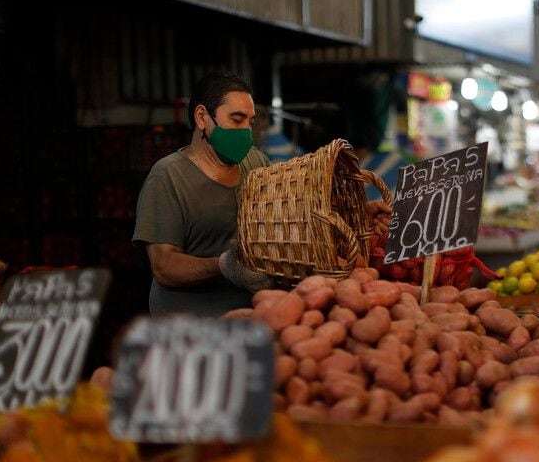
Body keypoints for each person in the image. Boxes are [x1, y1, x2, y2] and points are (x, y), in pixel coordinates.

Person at [133, 71, 391, 317]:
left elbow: (298, 217)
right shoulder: (168, 177)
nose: (246, 131)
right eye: (236, 119)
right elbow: (164, 266)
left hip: (259, 316)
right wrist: (224, 266)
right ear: (202, 117)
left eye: (250, 121)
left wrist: (352, 213)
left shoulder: (255, 163)